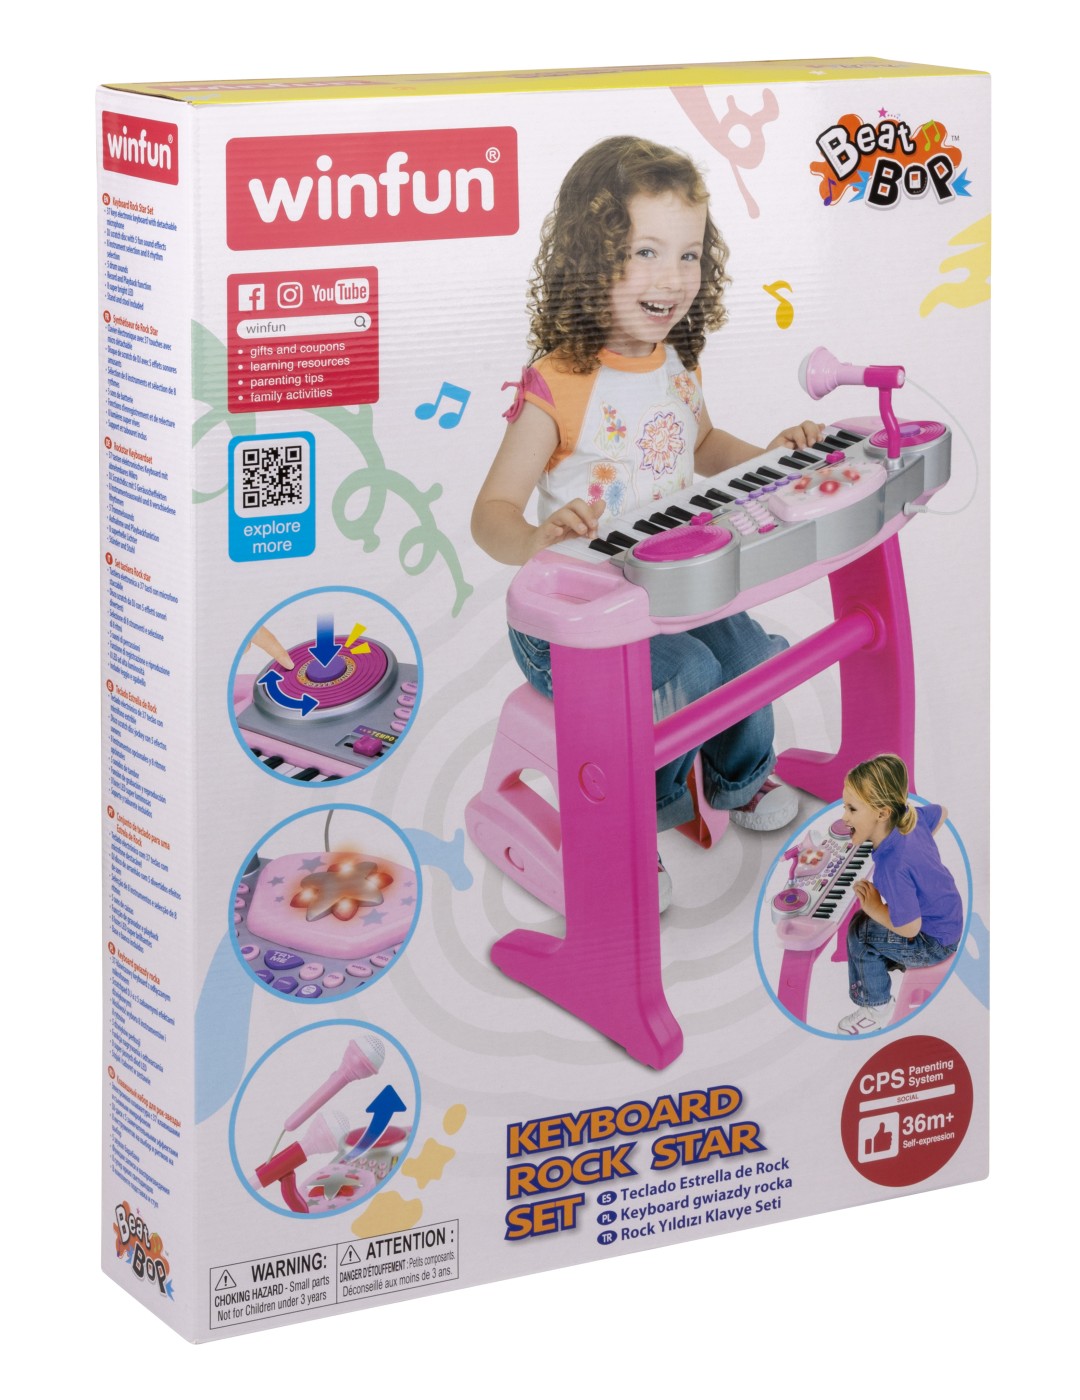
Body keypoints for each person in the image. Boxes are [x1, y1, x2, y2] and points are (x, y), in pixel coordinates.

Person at [472, 136, 822, 903]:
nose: (672, 278)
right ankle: (639, 815)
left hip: (674, 594)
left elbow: (702, 445)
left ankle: (738, 779)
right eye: (645, 253)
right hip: (572, 624)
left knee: (750, 656)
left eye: (689, 255)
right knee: (688, 674)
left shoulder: (677, 363)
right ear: (590, 260)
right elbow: (490, 514)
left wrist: (771, 456)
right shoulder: (558, 383)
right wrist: (533, 538)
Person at [837, 754, 963, 1034]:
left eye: (852, 809)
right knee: (867, 924)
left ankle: (876, 1007)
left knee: (861, 931)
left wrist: (873, 907)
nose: (844, 817)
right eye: (845, 807)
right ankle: (886, 962)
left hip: (933, 943)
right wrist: (920, 851)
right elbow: (941, 811)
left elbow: (909, 928)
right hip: (950, 918)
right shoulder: (911, 817)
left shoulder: (892, 866)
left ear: (882, 813)